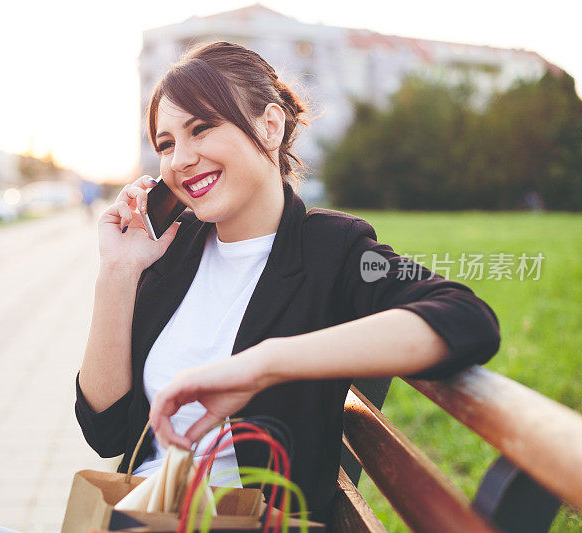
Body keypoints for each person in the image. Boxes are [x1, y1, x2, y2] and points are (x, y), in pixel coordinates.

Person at [75, 40, 500, 531]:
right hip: (139, 513)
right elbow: (104, 430)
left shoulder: (334, 249)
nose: (180, 160)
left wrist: (265, 364)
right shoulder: (175, 251)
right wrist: (118, 271)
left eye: (202, 128)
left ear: (270, 126)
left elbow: (466, 319)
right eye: (166, 143)